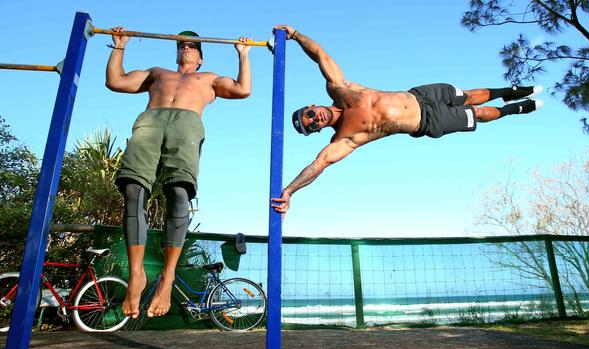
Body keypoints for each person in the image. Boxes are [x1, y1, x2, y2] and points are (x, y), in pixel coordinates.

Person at [270, 25, 543, 215]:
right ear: (317, 131)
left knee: (470, 95)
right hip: (428, 121)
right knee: (481, 115)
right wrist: (290, 191)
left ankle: (512, 91)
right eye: (312, 125)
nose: (314, 119)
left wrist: (295, 35)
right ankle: (515, 110)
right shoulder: (344, 138)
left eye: (309, 114)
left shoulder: (340, 89)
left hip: (421, 93)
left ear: (312, 105)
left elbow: (320, 55)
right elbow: (319, 164)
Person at [106, 27, 253, 318]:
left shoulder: (208, 78)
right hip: (151, 121)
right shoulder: (157, 73)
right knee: (134, 189)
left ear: (199, 58)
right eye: (182, 45)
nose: (185, 48)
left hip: (187, 124)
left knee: (179, 192)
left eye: (192, 46)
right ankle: (137, 274)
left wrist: (243, 56)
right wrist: (119, 46)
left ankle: (167, 276)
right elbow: (115, 81)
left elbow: (242, 89)